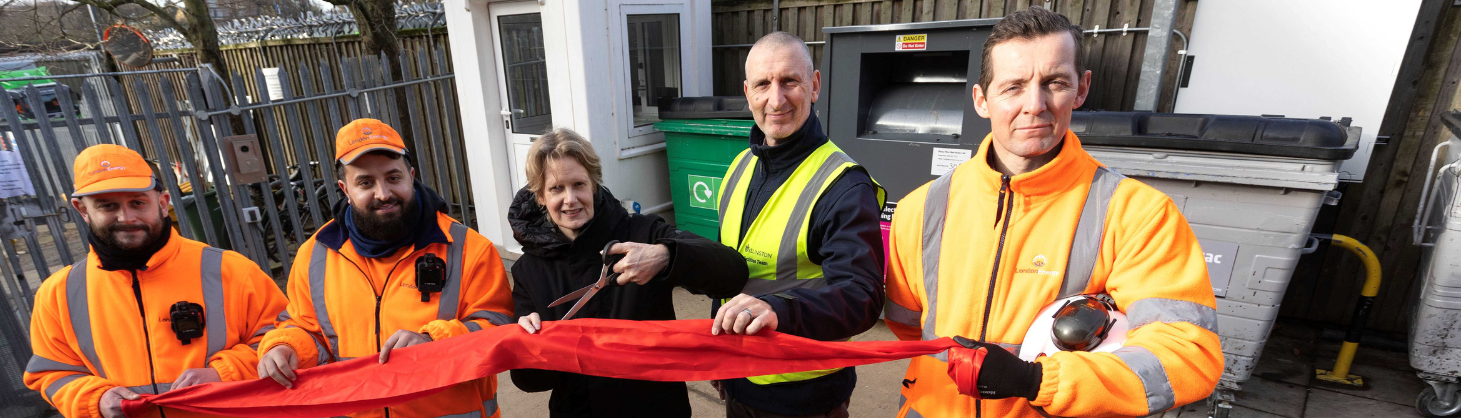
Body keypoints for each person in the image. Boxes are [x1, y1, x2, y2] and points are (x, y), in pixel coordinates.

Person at [883, 7, 1222, 417]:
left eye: (1055, 83)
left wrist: (1040, 382)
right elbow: (907, 327)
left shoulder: (1138, 215)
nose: (1035, 104)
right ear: (981, 100)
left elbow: (1188, 355)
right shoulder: (920, 208)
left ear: (1081, 88)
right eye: (1013, 87)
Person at [255, 119, 514, 418]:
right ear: (345, 189)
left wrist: (434, 342)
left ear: (411, 176)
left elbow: (499, 332)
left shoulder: (469, 248)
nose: (383, 193)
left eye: (393, 177)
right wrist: (286, 348)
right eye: (365, 182)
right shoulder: (315, 255)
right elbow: (306, 328)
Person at [22, 144, 287, 418]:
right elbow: (51, 373)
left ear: (162, 203)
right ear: (82, 210)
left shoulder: (231, 270)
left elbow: (282, 339)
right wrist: (95, 400)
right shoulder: (58, 293)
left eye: (138, 202)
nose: (126, 217)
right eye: (108, 206)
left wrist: (223, 372)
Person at [508, 128, 749, 418]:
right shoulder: (527, 270)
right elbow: (528, 382)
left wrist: (666, 255)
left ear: (594, 185)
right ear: (540, 197)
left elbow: (733, 272)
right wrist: (527, 347)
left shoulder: (642, 233)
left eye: (579, 184)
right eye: (556, 189)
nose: (570, 199)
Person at [708, 31, 888, 418]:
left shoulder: (843, 184)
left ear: (815, 85)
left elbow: (862, 297)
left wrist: (779, 310)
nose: (776, 99)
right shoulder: (741, 167)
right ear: (747, 92)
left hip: (804, 395)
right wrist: (718, 352)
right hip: (739, 377)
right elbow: (727, 274)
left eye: (789, 81)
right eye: (762, 84)